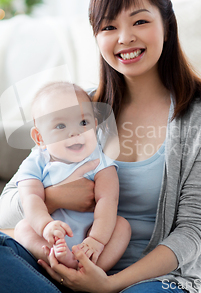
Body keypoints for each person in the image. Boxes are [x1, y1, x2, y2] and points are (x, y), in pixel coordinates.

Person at [0, 0, 201, 293]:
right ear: (98, 38)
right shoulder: (79, 109)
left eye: (139, 22)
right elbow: (5, 212)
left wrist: (107, 285)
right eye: (109, 27)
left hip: (147, 282)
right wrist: (54, 196)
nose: (125, 37)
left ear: (167, 27)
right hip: (59, 268)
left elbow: (193, 232)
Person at [13, 81, 130, 270]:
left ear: (95, 126)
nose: (74, 132)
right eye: (60, 126)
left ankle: (93, 272)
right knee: (22, 228)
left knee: (122, 226)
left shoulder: (100, 159)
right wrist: (46, 226)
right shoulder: (36, 161)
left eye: (84, 123)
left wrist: (96, 240)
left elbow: (108, 200)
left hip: (92, 236)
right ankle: (56, 259)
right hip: (53, 236)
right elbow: (30, 198)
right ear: (40, 138)